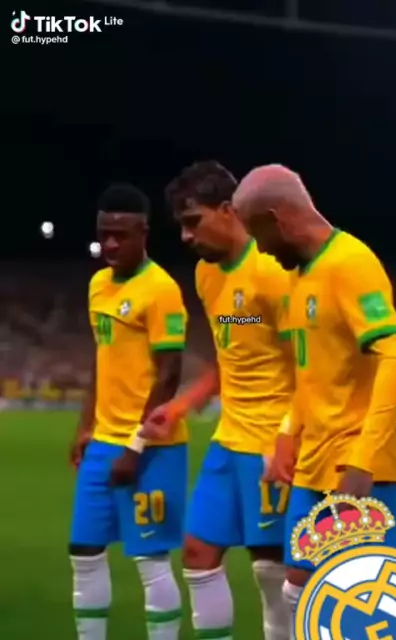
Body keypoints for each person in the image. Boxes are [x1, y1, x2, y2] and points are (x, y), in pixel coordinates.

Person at [232, 164, 396, 637]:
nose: (260, 251)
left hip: (362, 457)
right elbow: (311, 372)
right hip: (314, 460)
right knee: (298, 591)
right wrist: (287, 433)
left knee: (365, 605)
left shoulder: (351, 263)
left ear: (277, 219)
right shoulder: (297, 278)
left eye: (258, 235)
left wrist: (362, 458)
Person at [141, 161, 295, 640]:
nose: (186, 237)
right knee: (197, 553)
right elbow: (229, 360)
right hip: (229, 438)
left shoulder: (272, 271)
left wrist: (290, 434)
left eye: (194, 221)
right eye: (181, 226)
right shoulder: (208, 275)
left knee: (270, 568)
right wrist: (180, 406)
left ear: (228, 210)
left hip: (270, 442)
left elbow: (308, 366)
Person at [69, 184, 188, 640]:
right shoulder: (98, 285)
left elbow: (170, 373)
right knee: (83, 552)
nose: (111, 244)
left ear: (144, 233)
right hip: (104, 442)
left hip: (152, 448)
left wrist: (136, 446)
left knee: (150, 559)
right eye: (104, 234)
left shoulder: (160, 290)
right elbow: (102, 359)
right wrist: (86, 426)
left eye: (121, 234)